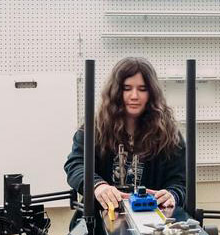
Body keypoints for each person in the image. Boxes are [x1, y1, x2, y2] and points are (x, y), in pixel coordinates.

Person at [65, 57, 187, 219]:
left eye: (142, 89)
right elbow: (75, 165)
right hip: (99, 227)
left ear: (151, 93)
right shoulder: (93, 131)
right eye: (127, 88)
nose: (134, 96)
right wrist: (98, 186)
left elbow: (180, 181)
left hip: (152, 225)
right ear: (116, 91)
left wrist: (172, 195)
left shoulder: (169, 135)